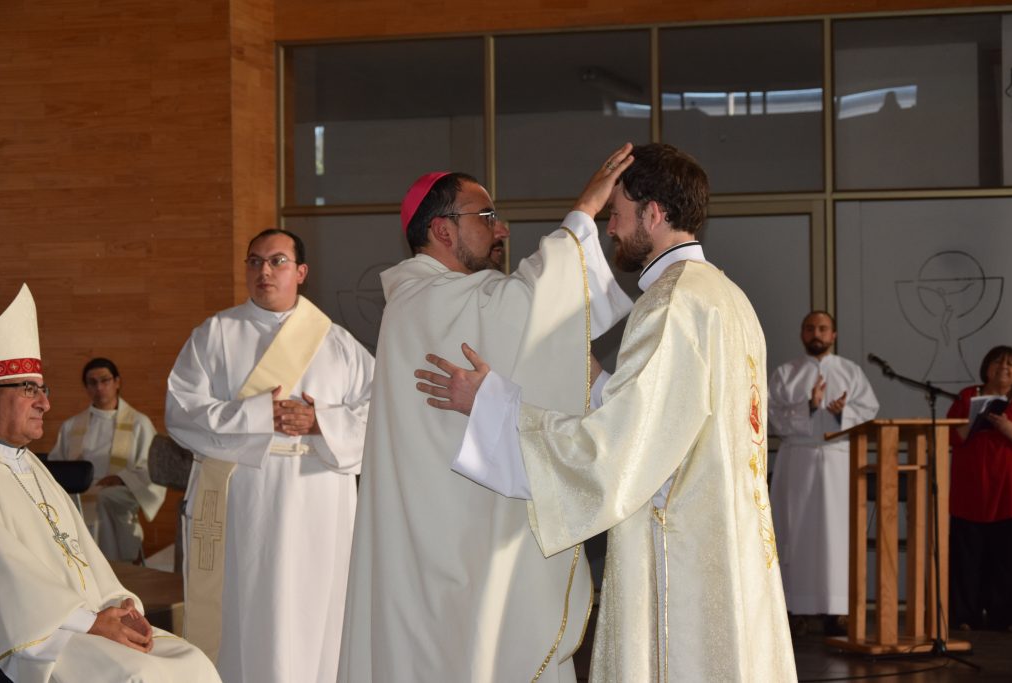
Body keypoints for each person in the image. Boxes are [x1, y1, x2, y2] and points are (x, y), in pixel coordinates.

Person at [415, 143, 797, 681]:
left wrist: (493, 405)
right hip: (726, 539)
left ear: (654, 213)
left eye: (616, 213)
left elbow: (618, 449)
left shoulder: (672, 303)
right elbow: (665, 414)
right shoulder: (725, 296)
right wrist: (583, 367)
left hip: (680, 552)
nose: (611, 229)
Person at [339, 148, 634, 682]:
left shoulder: (437, 299)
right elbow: (531, 303)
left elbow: (531, 323)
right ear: (442, 230)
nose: (502, 229)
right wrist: (583, 214)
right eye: (487, 216)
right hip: (451, 546)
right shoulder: (427, 300)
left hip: (451, 537)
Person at [165, 229, 374, 683]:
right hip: (245, 499)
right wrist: (260, 415)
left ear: (301, 272)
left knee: (314, 610)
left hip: (318, 498)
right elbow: (181, 412)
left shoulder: (338, 343)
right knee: (249, 610)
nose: (264, 271)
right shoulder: (216, 334)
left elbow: (381, 413)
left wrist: (320, 422)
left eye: (278, 261)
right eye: (255, 261)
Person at [0, 284, 221, 683]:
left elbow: (83, 554)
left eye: (43, 389)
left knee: (193, 661)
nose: (45, 403)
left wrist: (122, 604)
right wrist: (93, 622)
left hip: (85, 618)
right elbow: (11, 579)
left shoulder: (29, 464)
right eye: (29, 389)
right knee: (138, 675)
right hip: (41, 635)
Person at [767, 311, 879, 634]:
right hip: (798, 463)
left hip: (838, 462)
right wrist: (809, 407)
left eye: (823, 328)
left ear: (834, 335)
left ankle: (838, 609)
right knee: (794, 532)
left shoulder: (850, 372)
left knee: (838, 534)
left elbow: (869, 411)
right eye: (810, 328)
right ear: (802, 334)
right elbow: (771, 415)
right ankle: (794, 608)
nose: (816, 333)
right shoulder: (785, 373)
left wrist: (843, 413)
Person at [48, 357, 165, 562]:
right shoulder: (71, 426)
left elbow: (153, 468)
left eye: (105, 380)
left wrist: (122, 478)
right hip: (79, 495)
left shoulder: (139, 423)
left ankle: (117, 566)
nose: (99, 387)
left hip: (119, 492)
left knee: (105, 498)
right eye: (92, 382)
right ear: (86, 387)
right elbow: (57, 466)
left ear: (117, 382)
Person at [946, 344, 1012, 630]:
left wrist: (1006, 426)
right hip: (971, 489)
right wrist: (975, 422)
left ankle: (1007, 617)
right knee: (967, 556)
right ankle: (965, 615)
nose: (1004, 368)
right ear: (986, 368)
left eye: (1011, 364)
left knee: (1009, 558)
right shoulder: (968, 395)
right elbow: (950, 435)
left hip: (1010, 493)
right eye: (998, 362)